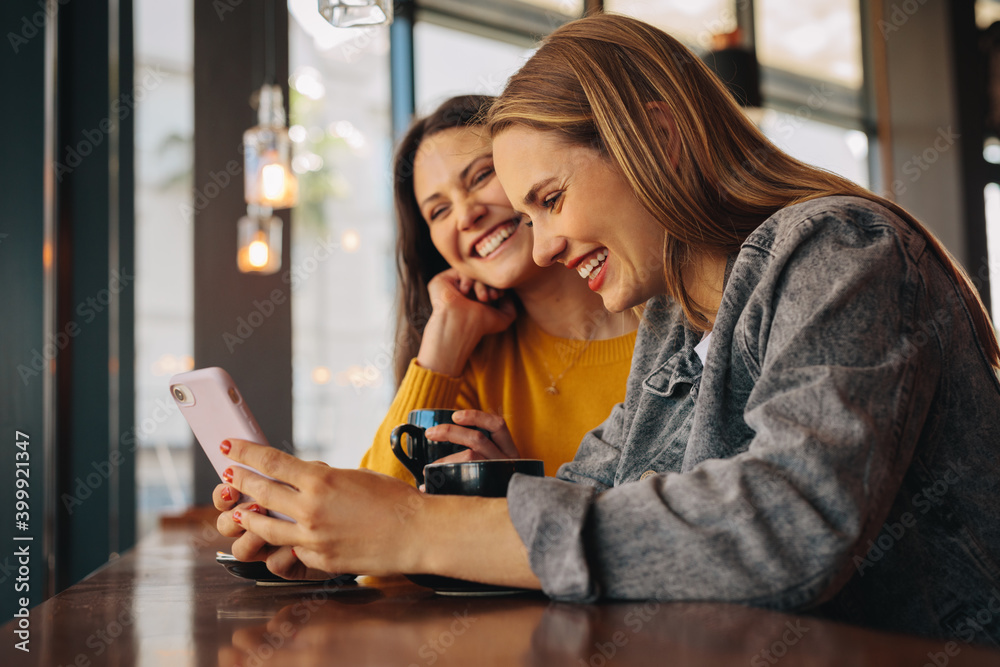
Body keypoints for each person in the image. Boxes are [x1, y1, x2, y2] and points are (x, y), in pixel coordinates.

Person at [213, 15, 1000, 643]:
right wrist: (329, 536)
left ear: (656, 137)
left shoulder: (838, 249)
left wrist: (412, 527)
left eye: (549, 200)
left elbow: (789, 524)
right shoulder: (673, 322)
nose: (544, 244)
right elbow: (591, 493)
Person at [358, 94, 637, 482]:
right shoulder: (468, 365)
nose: (467, 214)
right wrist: (443, 343)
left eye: (481, 177)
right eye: (439, 211)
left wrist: (524, 495)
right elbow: (377, 519)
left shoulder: (675, 318)